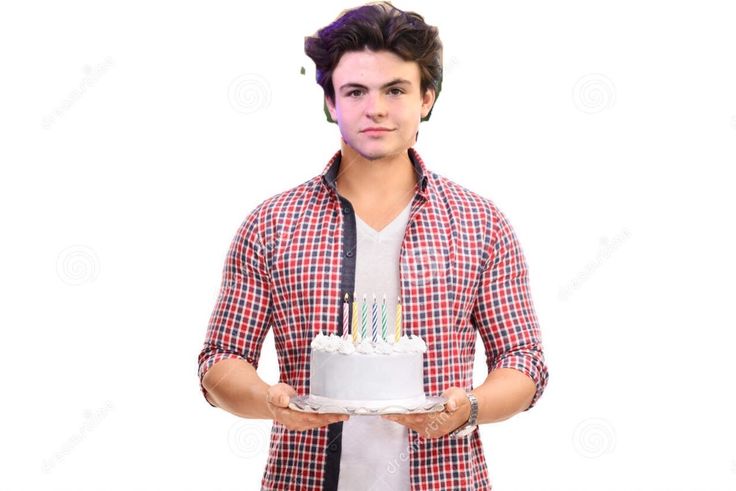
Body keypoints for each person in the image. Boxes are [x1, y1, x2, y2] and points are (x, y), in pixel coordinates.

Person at [197, 2, 549, 489]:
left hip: (445, 479)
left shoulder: (480, 224)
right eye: (356, 91)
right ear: (330, 102)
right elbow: (219, 359)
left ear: (426, 98)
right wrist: (268, 401)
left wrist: (469, 407)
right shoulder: (271, 225)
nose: (376, 108)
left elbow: (523, 361)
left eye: (396, 90)